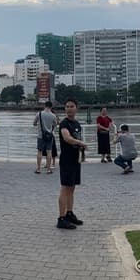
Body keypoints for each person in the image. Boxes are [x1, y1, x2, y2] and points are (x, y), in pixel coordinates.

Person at [56, 98, 86, 230]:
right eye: (67, 106)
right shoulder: (64, 124)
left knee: (72, 188)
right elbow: (67, 138)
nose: (69, 109)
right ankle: (61, 218)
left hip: (75, 159)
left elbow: (77, 139)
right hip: (67, 160)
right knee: (65, 188)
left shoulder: (77, 124)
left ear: (76, 108)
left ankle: (69, 213)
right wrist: (80, 143)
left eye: (71, 106)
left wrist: (81, 150)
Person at [35, 101, 57, 173]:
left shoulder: (39, 114)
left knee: (39, 152)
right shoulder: (53, 115)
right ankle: (48, 169)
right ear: (51, 107)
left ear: (45, 106)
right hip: (50, 136)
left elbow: (34, 123)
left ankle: (38, 169)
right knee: (49, 152)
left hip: (41, 136)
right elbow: (55, 124)